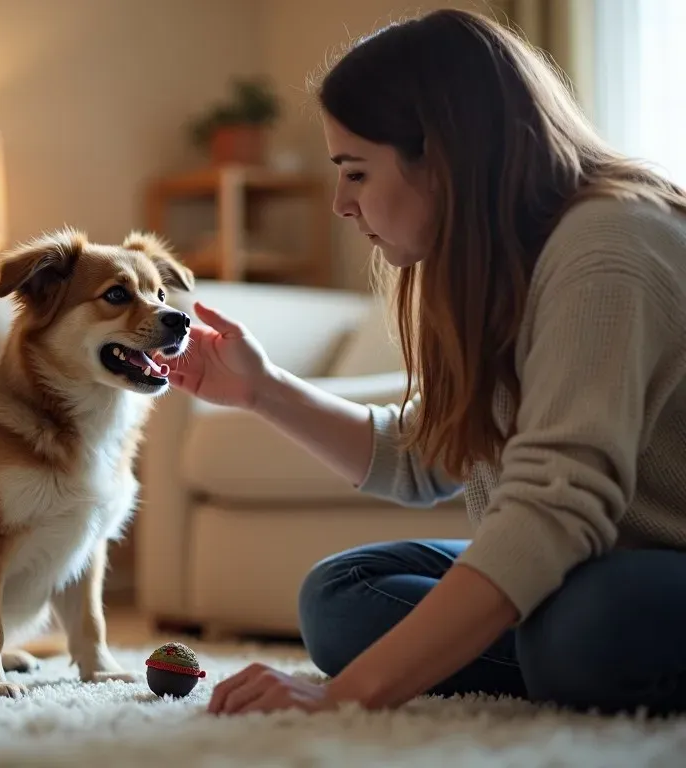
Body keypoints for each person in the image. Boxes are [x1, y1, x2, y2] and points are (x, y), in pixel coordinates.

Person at [168, 7, 686, 718]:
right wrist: (264, 391)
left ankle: (546, 644)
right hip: (599, 568)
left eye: (356, 171)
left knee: (588, 626)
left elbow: (552, 508)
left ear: (443, 159)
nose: (340, 203)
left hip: (648, 571)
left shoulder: (607, 250)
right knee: (342, 595)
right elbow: (425, 457)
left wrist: (342, 697)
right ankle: (538, 642)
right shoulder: (501, 267)